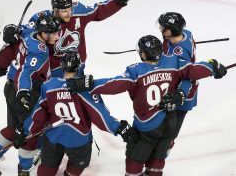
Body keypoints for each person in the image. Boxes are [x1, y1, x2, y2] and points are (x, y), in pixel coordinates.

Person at [66, 35, 227, 175]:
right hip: (170, 123)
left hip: (147, 126)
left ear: (143, 54)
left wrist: (90, 84)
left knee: (134, 159)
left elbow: (116, 84)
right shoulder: (173, 61)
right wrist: (212, 66)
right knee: (158, 157)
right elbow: (193, 70)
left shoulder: (137, 71)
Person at [17, 49, 138, 176]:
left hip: (53, 137)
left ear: (62, 66)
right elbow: (100, 117)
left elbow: (39, 114)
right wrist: (118, 128)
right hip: (78, 140)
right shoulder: (85, 90)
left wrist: (26, 131)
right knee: (75, 170)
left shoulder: (49, 85)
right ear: (79, 66)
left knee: (47, 169)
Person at [0, 15, 61, 176]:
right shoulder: (40, 52)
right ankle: (24, 170)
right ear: (43, 33)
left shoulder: (28, 32)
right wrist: (24, 94)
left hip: (10, 88)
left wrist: (9, 30)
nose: (57, 36)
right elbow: (26, 74)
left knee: (13, 128)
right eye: (52, 33)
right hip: (26, 93)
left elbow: (14, 35)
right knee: (27, 134)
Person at [4, 0, 140, 77]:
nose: (69, 13)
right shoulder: (44, 19)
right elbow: (27, 30)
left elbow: (99, 11)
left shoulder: (78, 11)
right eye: (64, 11)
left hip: (77, 66)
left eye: (69, 9)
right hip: (55, 71)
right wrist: (13, 31)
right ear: (55, 10)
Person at [142, 12, 198, 175]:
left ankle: (155, 165)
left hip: (181, 97)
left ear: (172, 31)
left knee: (169, 135)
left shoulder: (180, 53)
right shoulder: (185, 34)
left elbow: (186, 77)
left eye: (163, 28)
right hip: (170, 91)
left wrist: (180, 94)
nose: (161, 29)